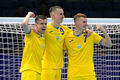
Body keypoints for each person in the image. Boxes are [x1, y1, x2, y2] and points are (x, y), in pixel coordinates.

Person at [64, 13, 112, 80]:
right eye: (84, 22)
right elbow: (63, 51)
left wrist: (104, 31)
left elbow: (109, 45)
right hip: (73, 75)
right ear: (76, 22)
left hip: (89, 74)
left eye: (86, 22)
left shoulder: (91, 35)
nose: (86, 24)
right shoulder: (67, 37)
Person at [41, 6, 72, 80]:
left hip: (59, 67)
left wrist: (86, 32)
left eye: (63, 14)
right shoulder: (45, 28)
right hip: (47, 67)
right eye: (60, 14)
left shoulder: (65, 30)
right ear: (53, 16)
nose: (63, 16)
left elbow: (76, 35)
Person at [19, 12, 47, 80]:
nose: (44, 26)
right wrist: (29, 14)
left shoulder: (43, 38)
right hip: (29, 71)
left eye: (45, 24)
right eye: (41, 24)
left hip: (38, 71)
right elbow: (24, 24)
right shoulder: (31, 34)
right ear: (36, 25)